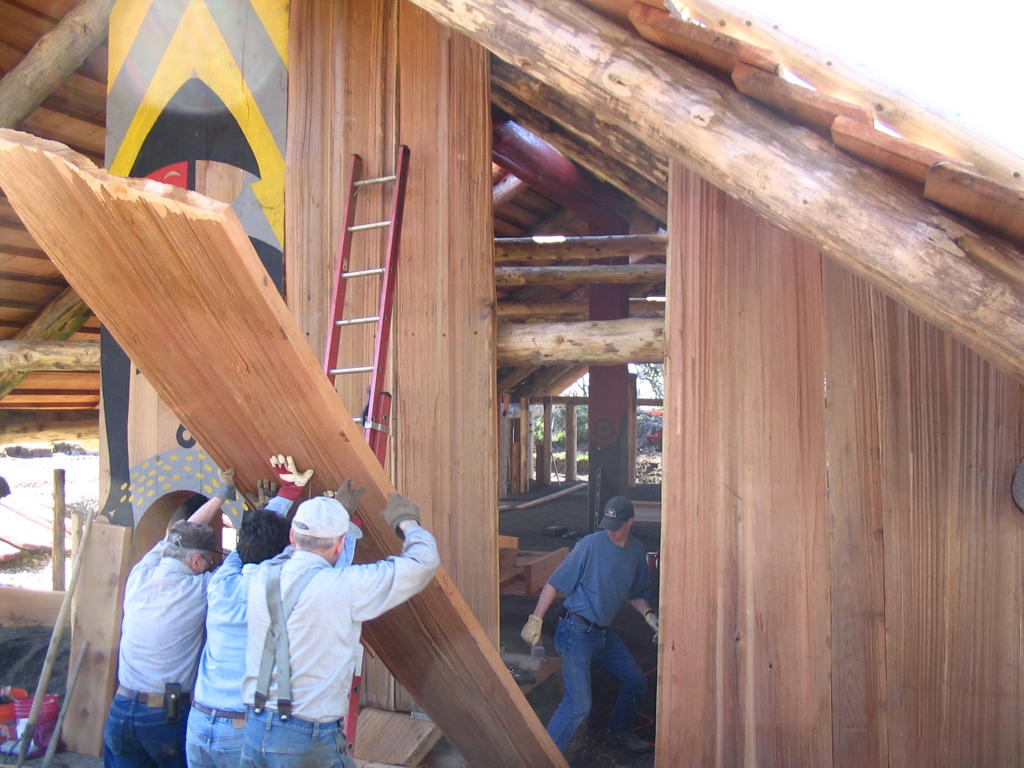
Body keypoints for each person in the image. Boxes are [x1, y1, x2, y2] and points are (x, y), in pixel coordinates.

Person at [240, 491, 439, 768]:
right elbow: (422, 562)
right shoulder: (344, 588)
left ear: (292, 538)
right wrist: (407, 522)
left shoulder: (261, 575)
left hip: (255, 729)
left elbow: (292, 555)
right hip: (308, 736)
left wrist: (328, 517)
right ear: (340, 544)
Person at [185, 456, 316, 768]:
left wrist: (287, 494)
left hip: (199, 721)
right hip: (242, 732)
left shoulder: (220, 584)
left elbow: (248, 544)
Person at [103, 469, 237, 768]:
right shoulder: (200, 588)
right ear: (196, 561)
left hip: (122, 709)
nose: (212, 565)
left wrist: (220, 495)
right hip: (164, 717)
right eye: (210, 560)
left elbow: (175, 535)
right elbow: (245, 559)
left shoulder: (143, 572)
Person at [520, 495, 659, 755]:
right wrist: (535, 618)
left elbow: (637, 594)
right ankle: (542, 758)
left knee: (637, 682)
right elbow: (554, 582)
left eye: (616, 526)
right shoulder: (589, 545)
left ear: (630, 522)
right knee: (578, 704)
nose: (611, 532)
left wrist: (650, 616)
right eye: (607, 525)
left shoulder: (636, 551)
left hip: (603, 634)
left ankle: (617, 732)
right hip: (575, 631)